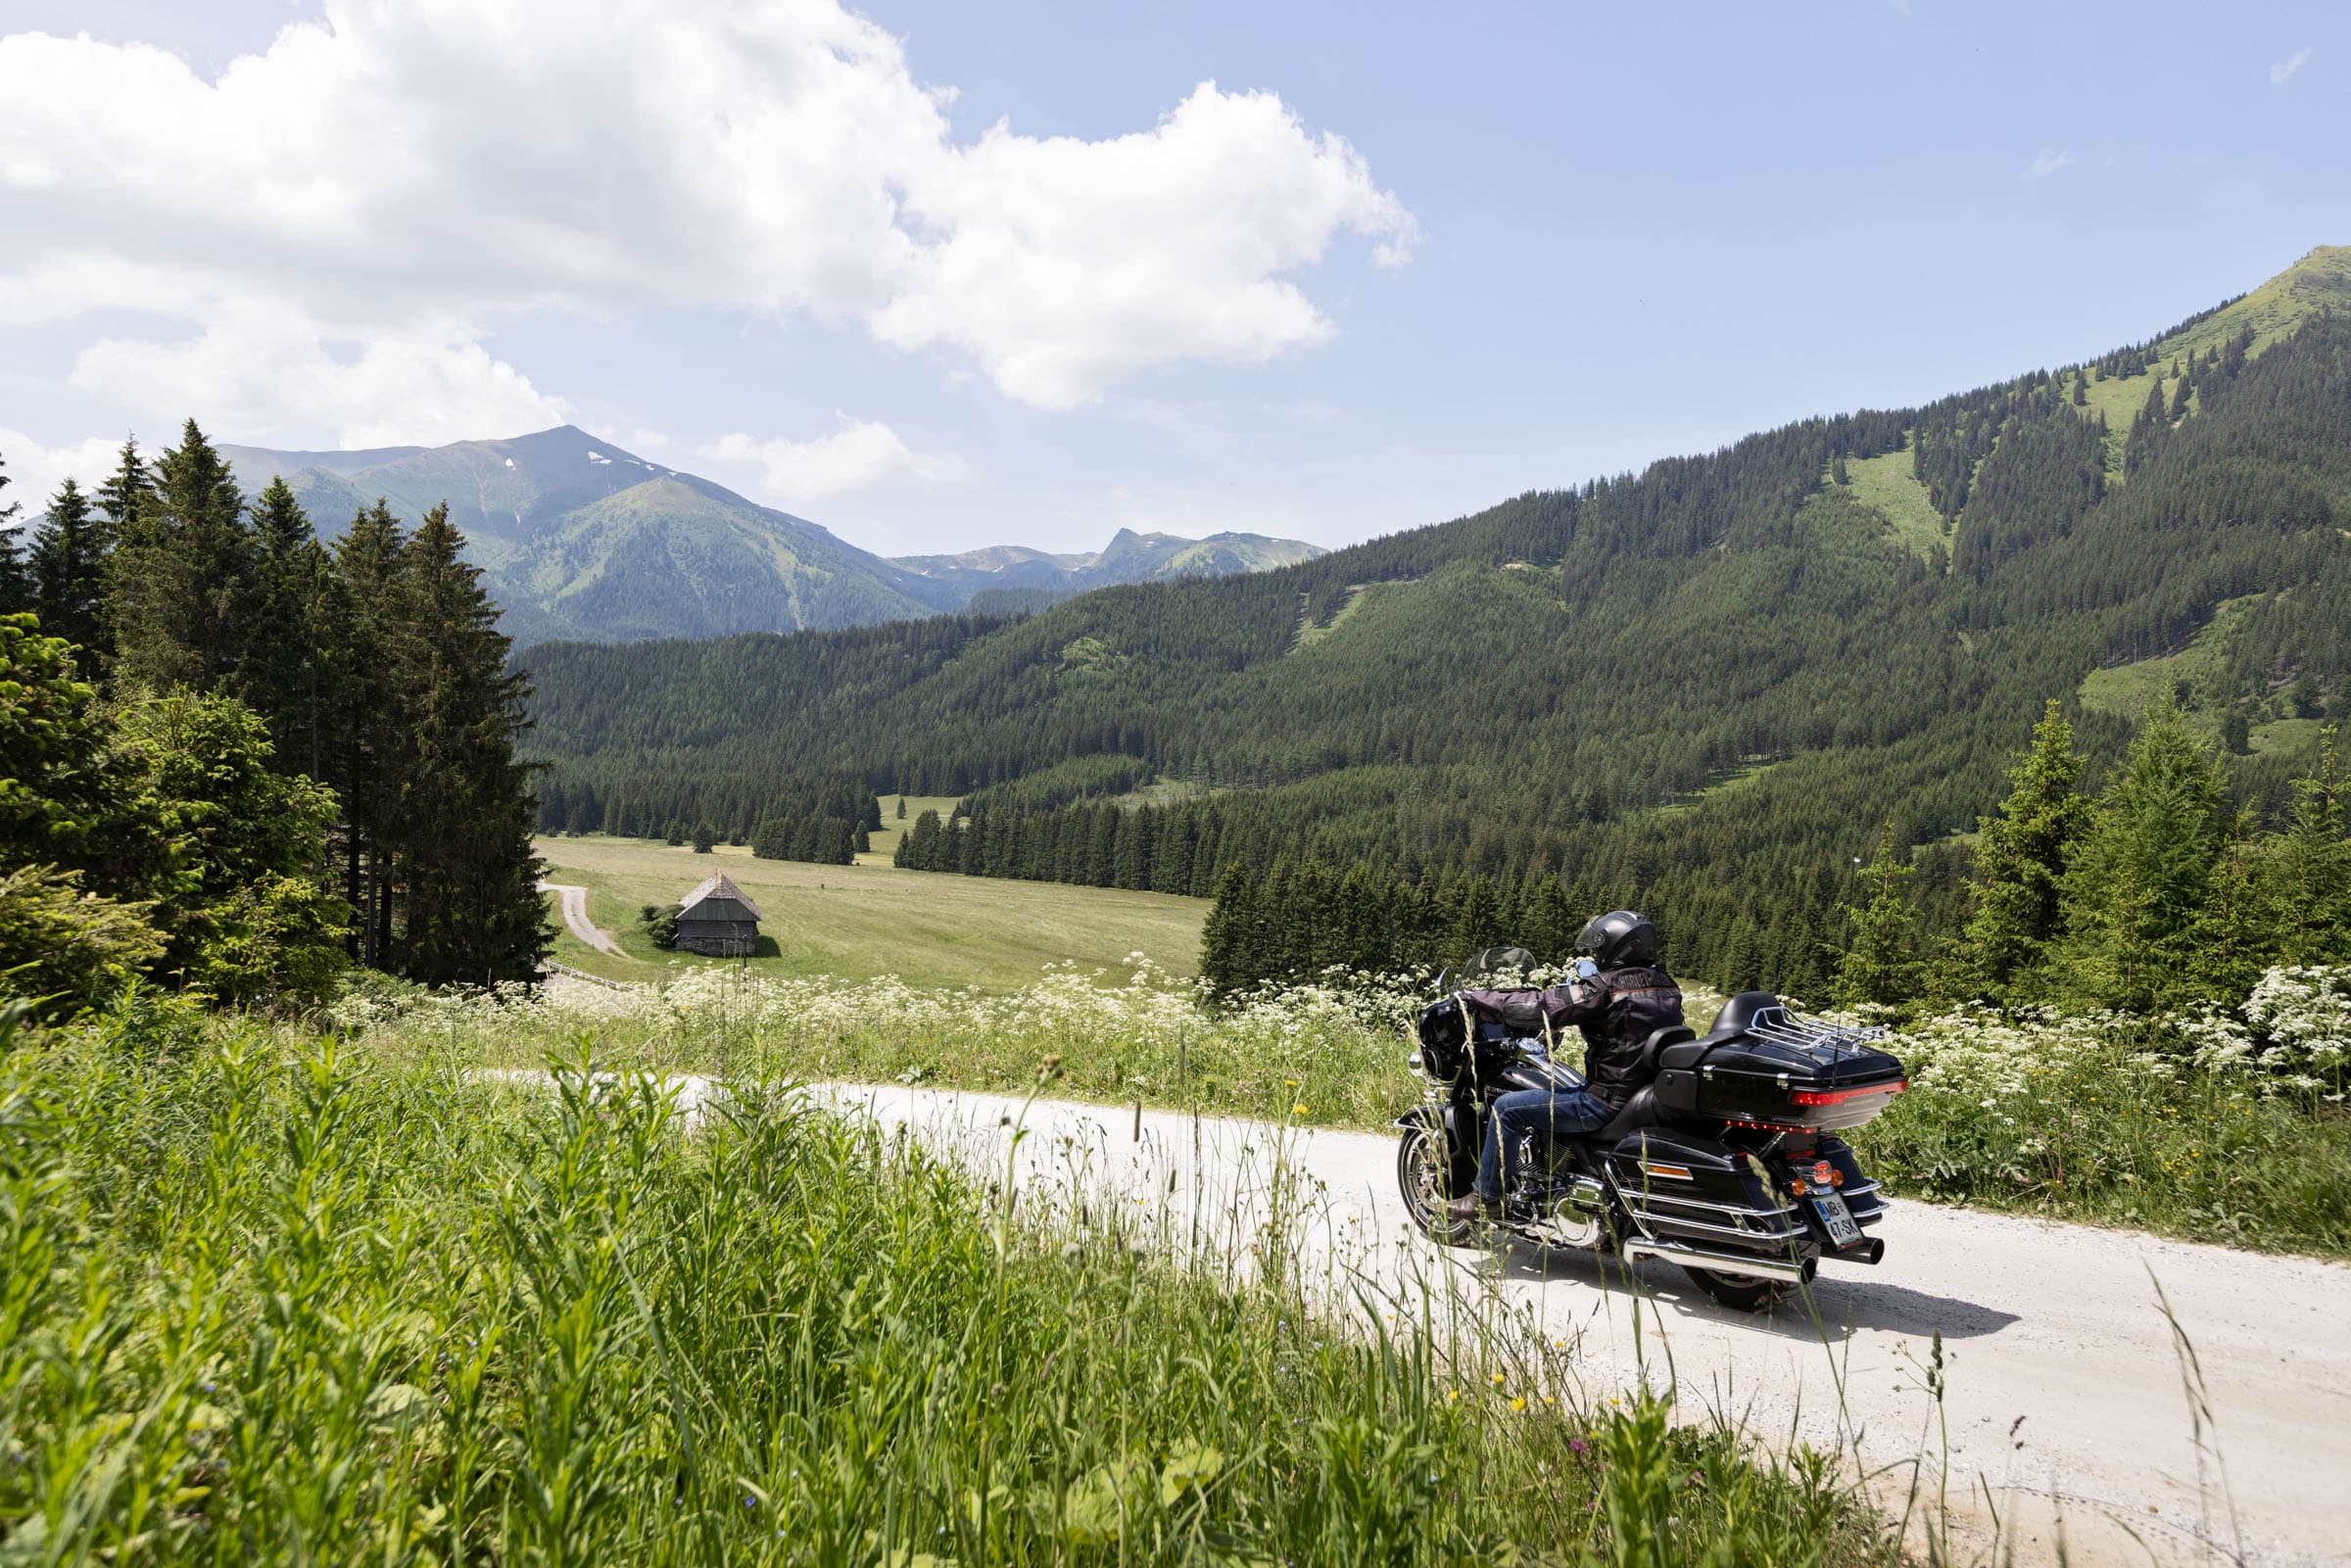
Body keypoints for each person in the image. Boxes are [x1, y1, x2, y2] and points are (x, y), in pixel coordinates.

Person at [1443, 910, 1684, 1222]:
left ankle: (1486, 1198)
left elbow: (1543, 1006)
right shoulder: (1667, 985)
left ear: (1617, 947)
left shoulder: (1607, 987)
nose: (1595, 954)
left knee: (1506, 1109)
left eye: (1599, 946)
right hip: (1645, 1095)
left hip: (1605, 1101)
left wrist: (1477, 999)